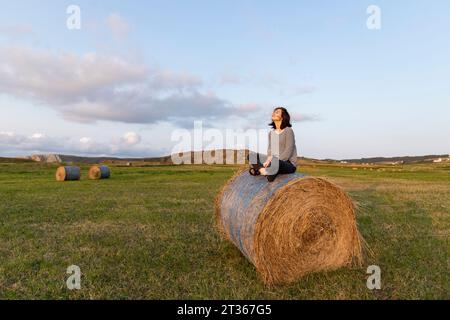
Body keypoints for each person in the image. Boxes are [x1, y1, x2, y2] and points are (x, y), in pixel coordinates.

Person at [249, 107, 298, 182]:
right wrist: (268, 160)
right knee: (252, 156)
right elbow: (270, 151)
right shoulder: (271, 133)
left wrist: (272, 161)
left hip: (287, 164)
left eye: (277, 112)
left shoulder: (288, 131)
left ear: (283, 116)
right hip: (273, 161)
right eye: (273, 112)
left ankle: (263, 171)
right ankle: (263, 171)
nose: (273, 113)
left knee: (276, 162)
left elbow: (288, 152)